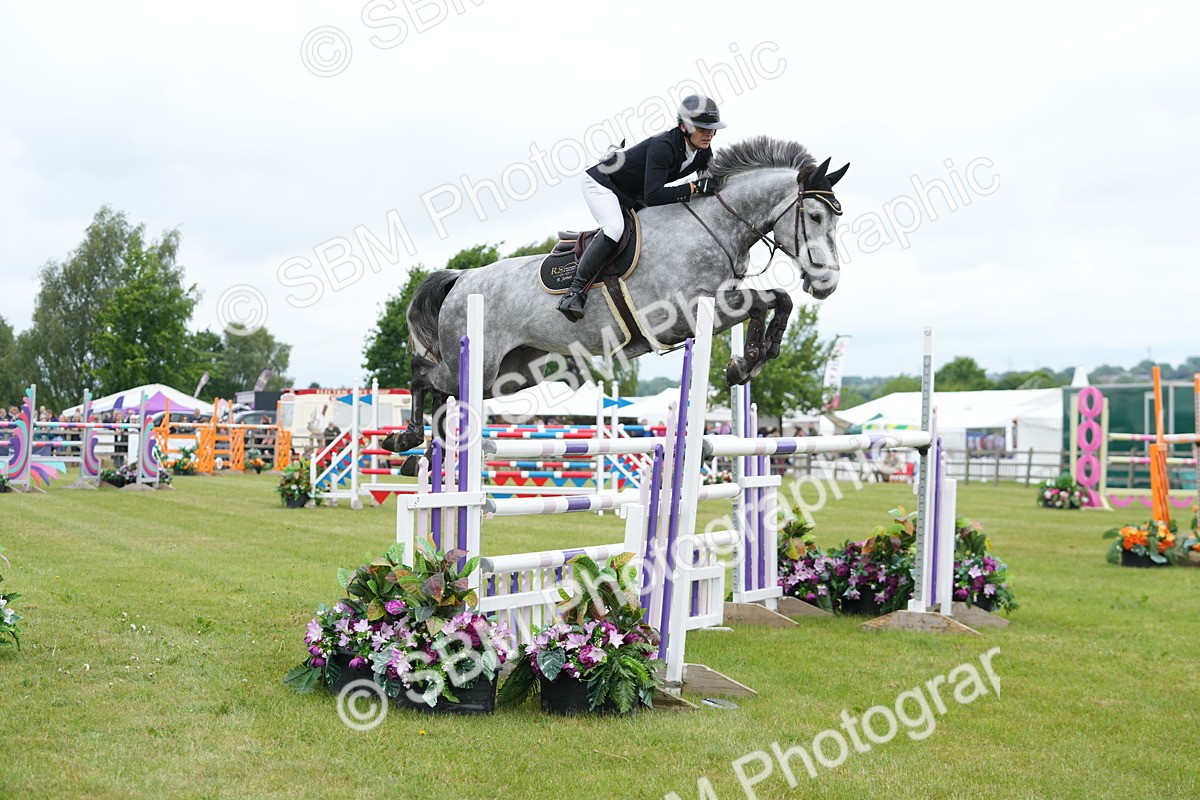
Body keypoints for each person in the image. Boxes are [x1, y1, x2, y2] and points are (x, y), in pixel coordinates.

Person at [557, 94, 727, 322]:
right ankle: (574, 292)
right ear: (684, 127)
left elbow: (710, 185)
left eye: (712, 129)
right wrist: (694, 187)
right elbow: (654, 195)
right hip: (602, 184)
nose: (709, 134)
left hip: (632, 193)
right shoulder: (663, 147)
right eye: (702, 128)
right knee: (614, 229)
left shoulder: (703, 151)